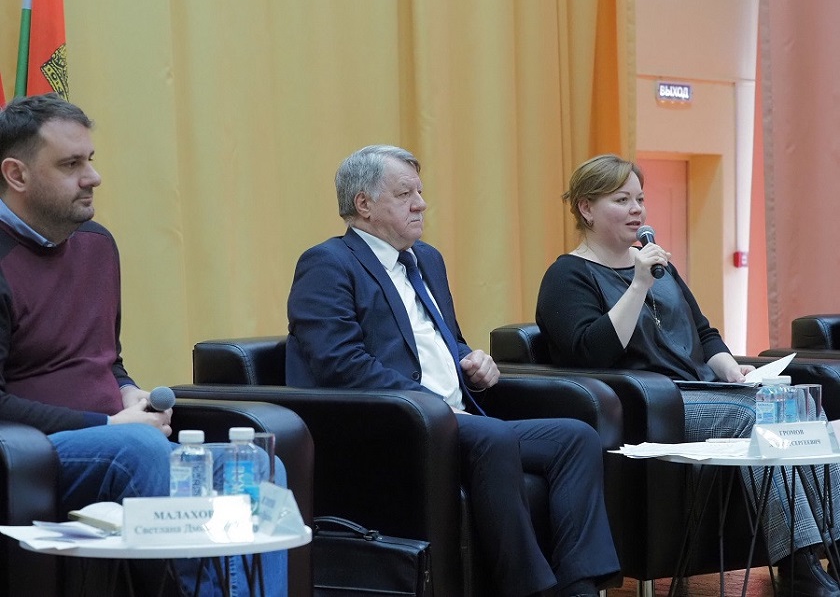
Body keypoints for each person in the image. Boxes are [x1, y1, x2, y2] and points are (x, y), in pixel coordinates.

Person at [286, 144, 620, 597]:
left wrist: (473, 359)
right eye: (405, 194)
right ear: (363, 204)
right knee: (494, 436)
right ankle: (528, 590)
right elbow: (339, 364)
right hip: (394, 426)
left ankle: (579, 588)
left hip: (457, 420)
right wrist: (430, 405)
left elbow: (446, 340)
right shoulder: (328, 264)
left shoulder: (427, 259)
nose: (421, 204)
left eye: (420, 192)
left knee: (575, 438)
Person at [0, 93, 285, 597]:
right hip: (34, 453)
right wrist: (108, 426)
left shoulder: (97, 245)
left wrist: (128, 390)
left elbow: (104, 359)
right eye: (70, 164)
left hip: (119, 439)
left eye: (90, 159)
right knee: (139, 447)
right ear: (16, 175)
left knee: (258, 465)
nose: (93, 177)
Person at [536, 153, 840, 597]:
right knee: (756, 416)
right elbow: (591, 352)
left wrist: (732, 369)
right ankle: (798, 563)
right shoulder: (568, 275)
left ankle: (833, 549)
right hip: (650, 406)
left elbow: (704, 333)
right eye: (621, 200)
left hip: (705, 390)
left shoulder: (661, 268)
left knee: (800, 406)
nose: (637, 210)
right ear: (586, 208)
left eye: (640, 199)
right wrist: (639, 284)